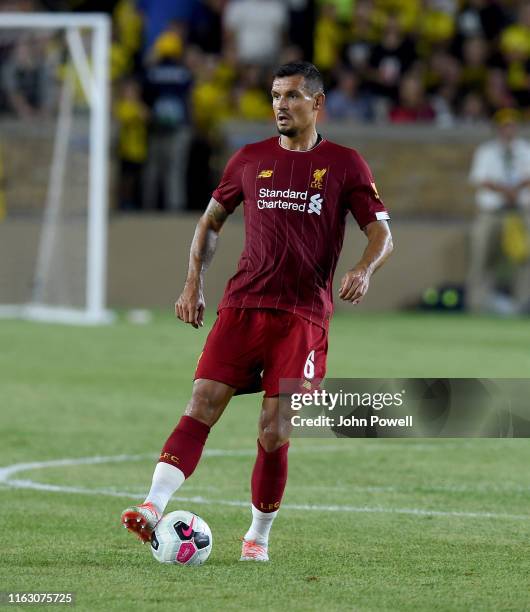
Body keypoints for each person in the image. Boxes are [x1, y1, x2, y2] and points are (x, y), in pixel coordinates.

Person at [120, 61, 393, 561]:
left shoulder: (345, 164)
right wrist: (193, 283)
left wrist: (364, 269)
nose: (280, 107)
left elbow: (380, 232)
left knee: (274, 429)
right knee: (202, 400)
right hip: (244, 304)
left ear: (317, 103)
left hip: (303, 316)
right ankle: (153, 507)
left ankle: (257, 538)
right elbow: (211, 222)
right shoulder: (248, 159)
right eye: (274, 96)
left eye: (291, 96)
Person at [468, 108, 530, 314]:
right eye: (505, 125)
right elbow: (479, 179)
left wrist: (516, 190)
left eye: (512, 125)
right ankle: (477, 303)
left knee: (524, 258)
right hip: (492, 212)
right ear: (498, 128)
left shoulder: (525, 150)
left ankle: (524, 303)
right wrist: (506, 190)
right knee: (482, 255)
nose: (508, 129)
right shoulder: (486, 151)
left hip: (519, 212)